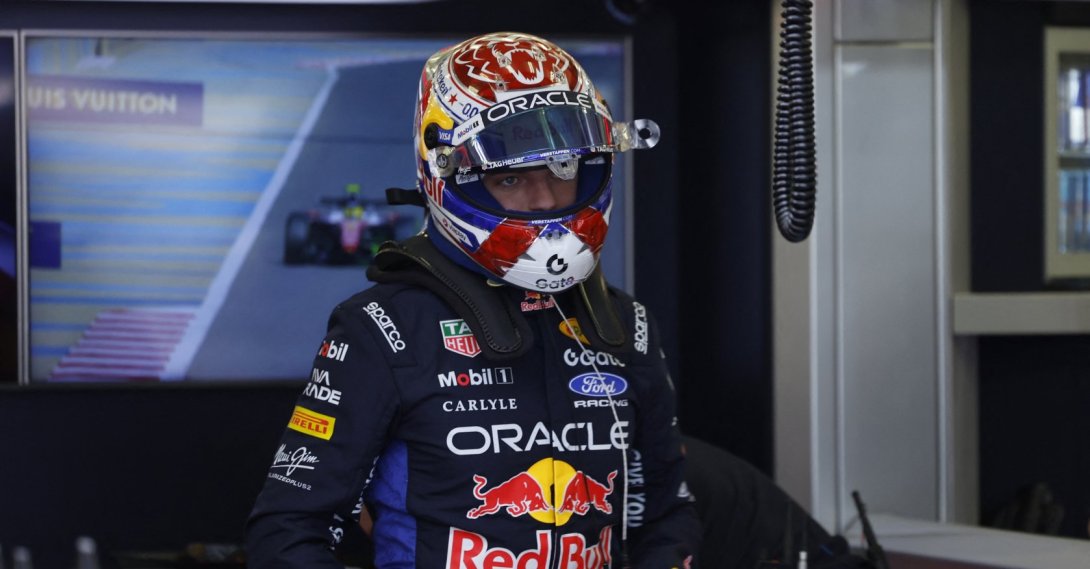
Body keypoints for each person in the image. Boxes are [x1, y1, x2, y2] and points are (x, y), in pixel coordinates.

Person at [245, 31, 701, 569]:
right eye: (509, 177)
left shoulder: (627, 325)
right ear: (448, 176)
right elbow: (287, 532)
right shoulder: (381, 329)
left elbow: (668, 514)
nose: (546, 199)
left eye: (563, 168)